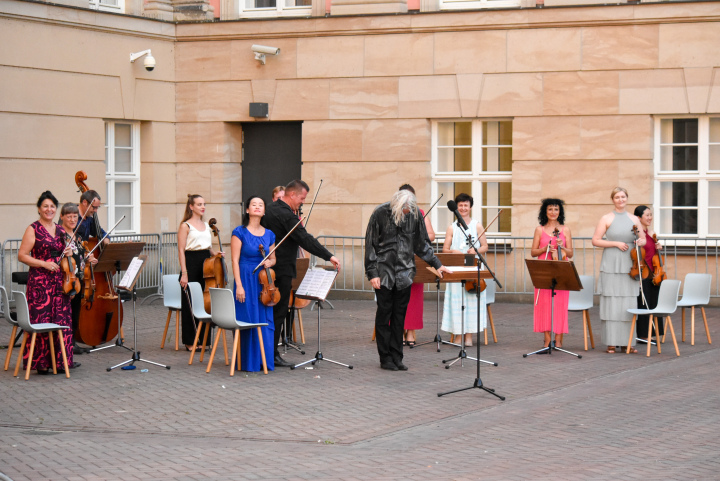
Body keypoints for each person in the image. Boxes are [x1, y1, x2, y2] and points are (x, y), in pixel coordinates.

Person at [365, 189, 450, 371]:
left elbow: (422, 244)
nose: (407, 212)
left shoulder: (415, 215)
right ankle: (385, 358)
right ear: (397, 205)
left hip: (404, 274)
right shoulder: (380, 213)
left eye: (410, 209)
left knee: (399, 317)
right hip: (384, 274)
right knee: (384, 315)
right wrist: (372, 273)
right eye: (405, 209)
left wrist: (437, 263)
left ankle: (397, 356)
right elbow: (370, 245)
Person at [262, 180, 341, 367]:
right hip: (281, 270)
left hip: (267, 271)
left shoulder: (270, 210)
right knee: (279, 312)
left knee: (266, 311)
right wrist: (328, 256)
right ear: (292, 195)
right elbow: (305, 239)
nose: (302, 202)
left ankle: (263, 351)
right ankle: (271, 354)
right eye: (302, 198)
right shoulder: (287, 216)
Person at [17, 191, 76, 374]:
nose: (49, 209)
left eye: (52, 206)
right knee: (40, 321)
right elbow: (22, 255)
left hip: (59, 283)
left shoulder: (60, 230)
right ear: (39, 209)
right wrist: (44, 264)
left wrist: (69, 253)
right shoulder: (33, 229)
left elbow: (69, 254)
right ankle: (40, 363)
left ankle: (59, 362)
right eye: (45, 206)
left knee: (60, 320)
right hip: (40, 285)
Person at [591, 187, 646, 354]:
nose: (620, 200)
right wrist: (615, 243)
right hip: (612, 263)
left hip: (629, 264)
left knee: (628, 301)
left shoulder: (634, 219)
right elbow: (596, 240)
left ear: (627, 198)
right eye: (617, 197)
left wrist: (639, 242)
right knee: (612, 301)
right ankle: (611, 342)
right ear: (613, 199)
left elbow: (643, 238)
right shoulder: (606, 218)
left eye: (623, 197)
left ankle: (627, 342)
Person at [230, 196, 276, 372]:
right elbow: (234, 261)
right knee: (248, 318)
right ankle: (246, 361)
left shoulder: (270, 234)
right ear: (247, 210)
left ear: (264, 211)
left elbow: (273, 258)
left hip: (263, 283)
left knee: (263, 319)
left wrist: (270, 263)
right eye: (253, 205)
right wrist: (239, 286)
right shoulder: (239, 232)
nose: (257, 207)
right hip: (245, 280)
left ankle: (263, 361)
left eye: (261, 205)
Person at [441, 193, 487, 347]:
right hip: (455, 268)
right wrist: (454, 252)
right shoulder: (452, 227)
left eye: (465, 205)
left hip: (472, 267)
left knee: (472, 301)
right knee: (457, 302)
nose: (463, 208)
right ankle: (458, 336)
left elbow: (485, 246)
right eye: (460, 205)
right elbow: (445, 249)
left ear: (470, 207)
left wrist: (476, 251)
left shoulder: (477, 225)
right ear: (456, 207)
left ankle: (469, 336)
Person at [178, 194, 222, 351]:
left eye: (203, 204)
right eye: (199, 204)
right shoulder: (185, 226)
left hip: (205, 263)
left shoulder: (205, 225)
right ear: (191, 207)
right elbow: (181, 251)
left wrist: (215, 253)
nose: (202, 207)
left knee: (204, 303)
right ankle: (190, 341)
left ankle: (204, 340)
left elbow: (207, 247)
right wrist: (184, 272)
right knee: (190, 302)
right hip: (191, 262)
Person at [530, 198, 574, 350]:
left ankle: (559, 340)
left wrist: (562, 246)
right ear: (545, 212)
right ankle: (547, 339)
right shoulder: (539, 230)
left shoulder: (565, 230)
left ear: (559, 211)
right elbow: (533, 252)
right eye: (550, 209)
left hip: (561, 271)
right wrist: (544, 249)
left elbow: (571, 253)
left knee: (560, 305)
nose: (553, 212)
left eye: (556, 209)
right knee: (544, 305)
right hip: (544, 270)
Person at [398, 184, 435, 346]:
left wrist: (420, 236)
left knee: (414, 297)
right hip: (398, 261)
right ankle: (398, 330)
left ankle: (411, 331)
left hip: (415, 261)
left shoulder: (421, 214)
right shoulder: (395, 214)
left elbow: (431, 236)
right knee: (398, 297)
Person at [58, 203, 94, 355]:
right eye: (69, 216)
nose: (73, 220)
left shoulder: (78, 237)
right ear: (62, 217)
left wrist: (88, 258)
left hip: (78, 280)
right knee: (67, 315)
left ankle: (72, 343)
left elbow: (80, 256)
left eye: (75, 217)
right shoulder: (60, 236)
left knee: (75, 314)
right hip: (66, 280)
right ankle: (67, 345)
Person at [633, 205, 664, 342]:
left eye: (651, 215)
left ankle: (654, 332)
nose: (650, 217)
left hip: (654, 272)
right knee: (644, 303)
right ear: (639, 218)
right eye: (647, 215)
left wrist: (658, 246)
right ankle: (643, 335)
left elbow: (654, 254)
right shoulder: (637, 234)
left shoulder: (651, 233)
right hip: (643, 272)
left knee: (654, 303)